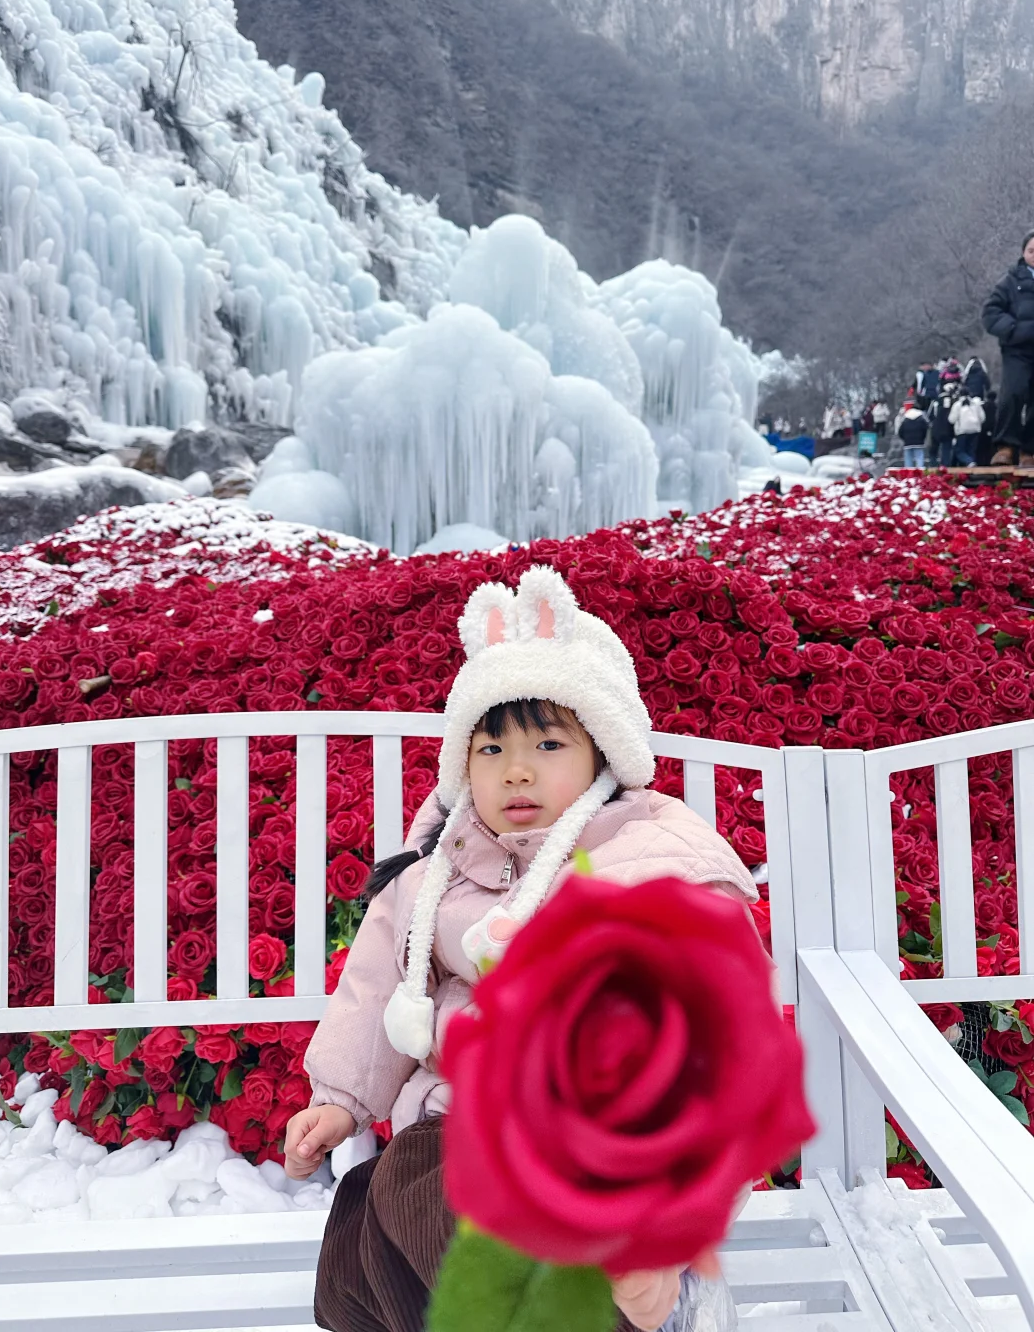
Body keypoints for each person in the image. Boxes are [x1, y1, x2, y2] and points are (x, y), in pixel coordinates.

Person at [288, 567, 758, 1332]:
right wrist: (340, 1099)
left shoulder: (653, 862)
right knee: (370, 1220)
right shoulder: (436, 868)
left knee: (434, 1189)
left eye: (548, 741)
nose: (516, 768)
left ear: (602, 754)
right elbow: (375, 986)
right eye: (491, 747)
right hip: (461, 1128)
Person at [981, 231, 1034, 466]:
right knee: (1013, 393)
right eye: (1031, 250)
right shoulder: (1010, 280)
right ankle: (1005, 446)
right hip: (1017, 350)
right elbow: (990, 312)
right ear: (1023, 253)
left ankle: (1029, 451)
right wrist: (1013, 330)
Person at [927, 367, 962, 467]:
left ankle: (933, 467)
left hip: (936, 428)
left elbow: (930, 415)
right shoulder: (956, 401)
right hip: (948, 429)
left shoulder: (936, 401)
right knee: (946, 450)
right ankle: (945, 467)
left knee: (933, 450)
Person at [949, 390, 986, 467]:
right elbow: (982, 418)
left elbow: (952, 419)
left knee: (959, 451)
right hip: (975, 430)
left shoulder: (957, 404)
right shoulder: (976, 404)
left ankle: (969, 461)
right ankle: (971, 468)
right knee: (971, 450)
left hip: (962, 431)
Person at [895, 400, 929, 469]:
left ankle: (908, 472)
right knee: (919, 457)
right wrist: (923, 438)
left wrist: (905, 439)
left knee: (908, 459)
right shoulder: (921, 419)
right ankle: (920, 471)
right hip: (919, 442)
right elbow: (925, 429)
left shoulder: (905, 419)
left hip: (907, 443)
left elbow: (900, 431)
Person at [977, 388, 998, 467]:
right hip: (994, 429)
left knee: (982, 448)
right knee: (991, 448)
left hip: (983, 429)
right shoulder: (997, 407)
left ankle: (981, 462)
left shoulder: (983, 406)